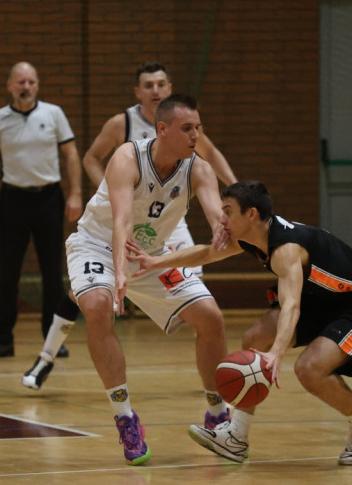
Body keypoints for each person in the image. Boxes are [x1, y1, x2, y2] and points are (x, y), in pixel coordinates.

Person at [131, 180, 352, 465]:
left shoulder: (286, 249)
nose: (222, 218)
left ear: (251, 214)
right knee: (255, 338)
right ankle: (236, 437)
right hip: (319, 301)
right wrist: (154, 262)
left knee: (309, 370)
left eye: (228, 211)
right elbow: (208, 252)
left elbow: (292, 304)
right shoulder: (254, 238)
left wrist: (277, 353)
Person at [21, 62, 237, 390]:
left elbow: (212, 159)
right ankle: (48, 355)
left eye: (161, 84)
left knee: (206, 310)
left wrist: (236, 199)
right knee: (91, 298)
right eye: (148, 85)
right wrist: (108, 188)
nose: (155, 90)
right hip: (111, 228)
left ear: (168, 89)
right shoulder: (123, 126)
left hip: (162, 226)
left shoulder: (188, 131)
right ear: (139, 93)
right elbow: (93, 160)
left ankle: (212, 394)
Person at [66, 93, 229, 465]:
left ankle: (218, 412)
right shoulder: (127, 156)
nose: (195, 136)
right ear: (162, 129)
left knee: (211, 317)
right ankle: (125, 418)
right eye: (187, 128)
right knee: (96, 305)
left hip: (150, 255)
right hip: (98, 245)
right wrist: (120, 274)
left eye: (198, 129)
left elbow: (219, 218)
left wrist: (231, 232)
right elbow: (121, 220)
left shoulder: (198, 169)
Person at [0, 62, 82, 359]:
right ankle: (2, 339)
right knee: (7, 272)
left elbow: (71, 153)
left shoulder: (53, 114)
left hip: (49, 198)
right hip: (13, 200)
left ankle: (53, 341)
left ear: (37, 85)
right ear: (10, 86)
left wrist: (75, 193)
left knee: (52, 272)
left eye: (31, 82)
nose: (26, 87)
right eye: (20, 82)